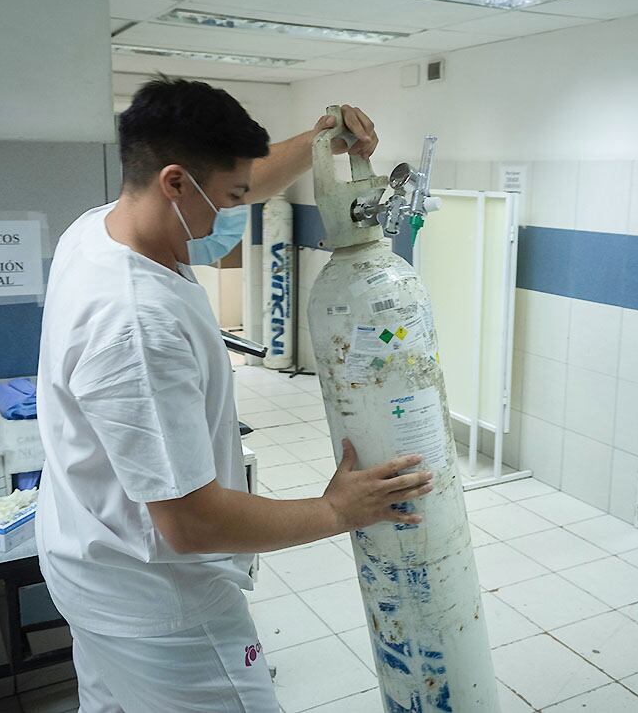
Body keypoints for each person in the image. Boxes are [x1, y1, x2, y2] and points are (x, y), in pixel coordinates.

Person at [35, 77, 434, 713]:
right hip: (161, 603)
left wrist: (318, 139)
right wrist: (336, 511)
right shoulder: (137, 326)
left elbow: (239, 178)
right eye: (230, 199)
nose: (237, 211)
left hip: (87, 560)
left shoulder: (97, 232)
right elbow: (191, 523)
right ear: (173, 183)